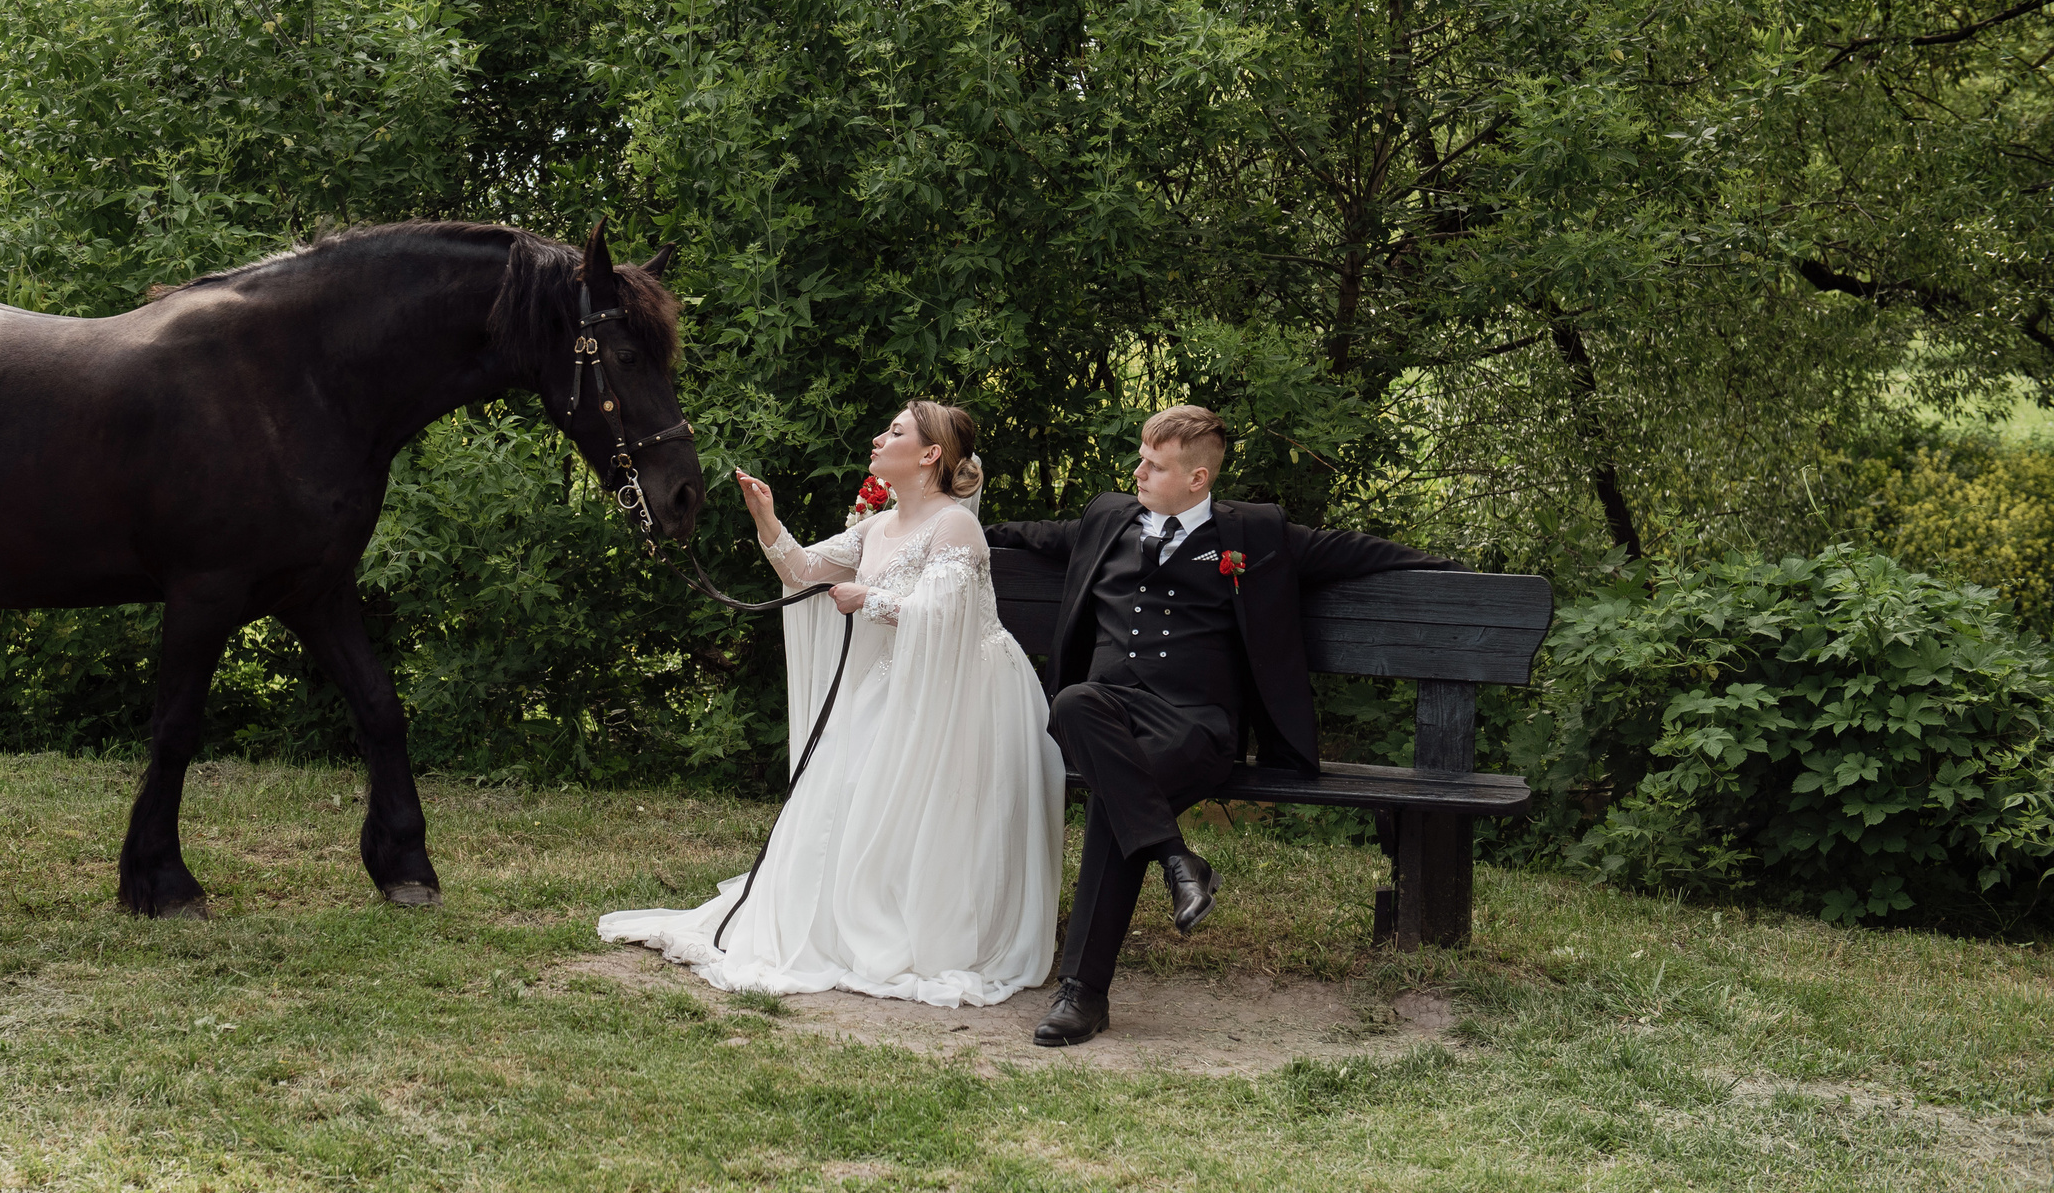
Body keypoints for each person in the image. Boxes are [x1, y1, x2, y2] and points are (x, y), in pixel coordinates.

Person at [985, 405, 1460, 1046]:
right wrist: (950, 527)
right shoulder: (1107, 519)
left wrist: (1442, 568)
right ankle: (1176, 863)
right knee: (1071, 702)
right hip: (1108, 715)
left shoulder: (1253, 534)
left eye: (1154, 466)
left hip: (1195, 727)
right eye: (1141, 459)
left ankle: (1084, 994)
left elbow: (1348, 551)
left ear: (1197, 478)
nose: (1138, 473)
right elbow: (1025, 535)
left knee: (1117, 800)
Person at [599, 401, 1065, 1007]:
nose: (879, 437)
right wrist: (767, 519)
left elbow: (944, 618)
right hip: (897, 679)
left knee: (892, 788)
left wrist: (869, 600)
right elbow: (802, 569)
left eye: (895, 431)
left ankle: (917, 919)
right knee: (841, 778)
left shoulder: (955, 526)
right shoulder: (877, 526)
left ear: (930, 454)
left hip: (963, 690)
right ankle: (837, 915)